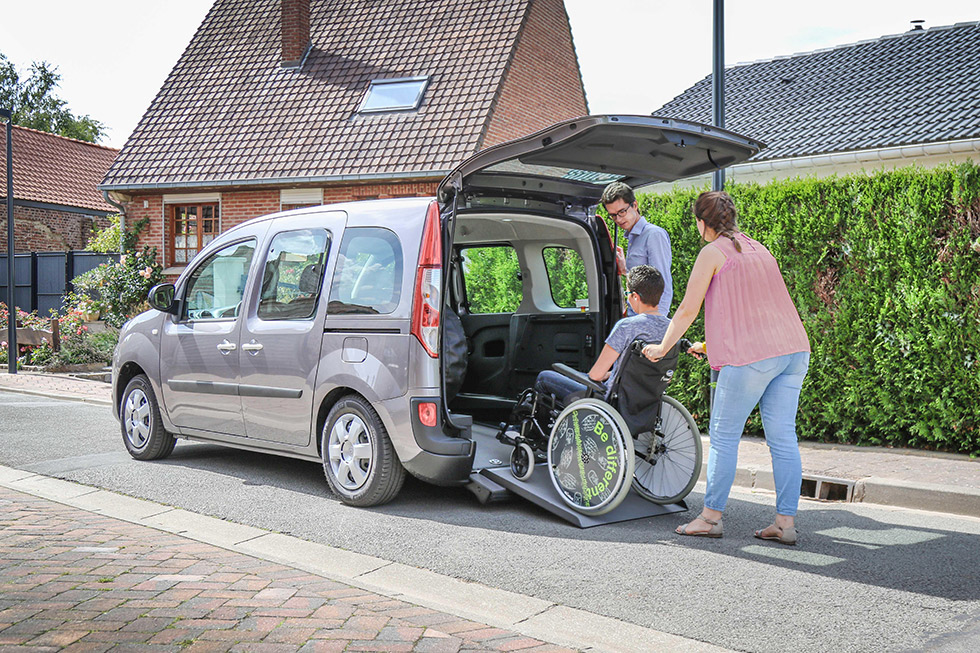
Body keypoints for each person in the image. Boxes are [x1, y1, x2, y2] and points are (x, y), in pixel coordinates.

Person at [641, 191, 810, 545]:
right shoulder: (759, 249)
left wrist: (662, 346)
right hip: (793, 351)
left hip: (750, 359)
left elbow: (687, 310)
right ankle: (785, 524)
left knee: (723, 437)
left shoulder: (712, 253)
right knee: (783, 439)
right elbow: (755, 311)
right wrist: (711, 345)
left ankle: (711, 518)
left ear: (703, 223)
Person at [534, 265, 670, 402]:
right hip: (644, 401)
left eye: (627, 294)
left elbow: (595, 375)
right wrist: (611, 374)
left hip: (610, 400)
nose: (627, 299)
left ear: (635, 296)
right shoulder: (671, 329)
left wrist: (602, 375)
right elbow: (644, 372)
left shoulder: (627, 326)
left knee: (544, 377)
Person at [601, 182, 672, 316]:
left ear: (635, 205)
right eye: (613, 215)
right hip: (635, 319)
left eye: (622, 211)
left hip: (648, 323)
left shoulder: (653, 235)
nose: (618, 219)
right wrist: (625, 270)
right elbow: (643, 283)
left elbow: (662, 285)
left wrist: (655, 323)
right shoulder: (633, 237)